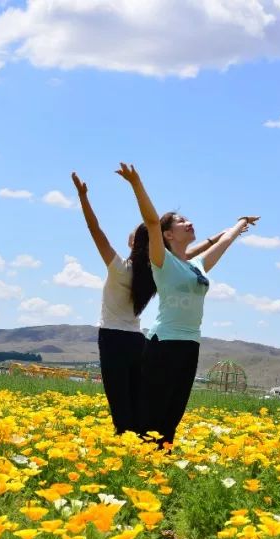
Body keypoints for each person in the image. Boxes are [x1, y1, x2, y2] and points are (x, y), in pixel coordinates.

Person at [116, 162, 258, 447]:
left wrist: (241, 224)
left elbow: (226, 242)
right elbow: (153, 222)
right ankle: (141, 458)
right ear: (169, 235)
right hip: (164, 343)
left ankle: (162, 462)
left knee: (174, 410)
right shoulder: (162, 261)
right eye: (181, 222)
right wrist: (136, 184)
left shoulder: (197, 265)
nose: (188, 223)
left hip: (190, 344)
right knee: (153, 407)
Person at [71, 171, 215, 435]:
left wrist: (83, 198)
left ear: (137, 242)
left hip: (113, 338)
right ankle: (140, 444)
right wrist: (223, 235)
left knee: (119, 401)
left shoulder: (119, 268)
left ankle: (126, 446)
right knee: (137, 401)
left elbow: (95, 230)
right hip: (139, 341)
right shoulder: (154, 271)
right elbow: (191, 253)